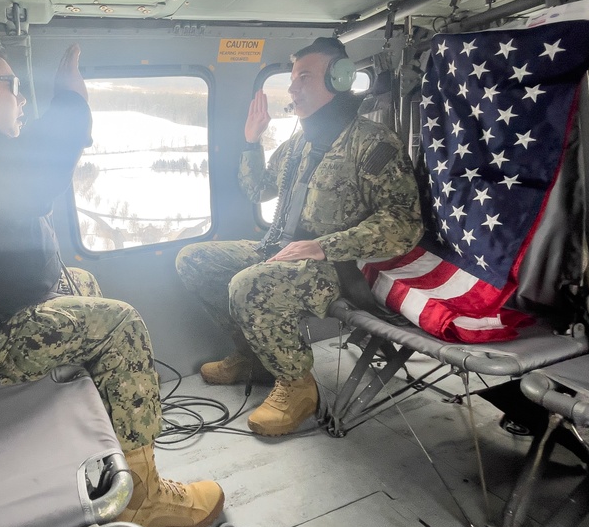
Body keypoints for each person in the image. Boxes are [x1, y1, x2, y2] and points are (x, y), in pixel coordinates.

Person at [0, 36, 224, 527]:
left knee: (78, 280)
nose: (19, 99)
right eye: (10, 86)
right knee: (120, 323)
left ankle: (110, 454)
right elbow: (31, 177)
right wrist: (71, 100)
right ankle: (145, 500)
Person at [175, 37, 423, 436]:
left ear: (339, 80)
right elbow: (258, 190)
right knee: (194, 259)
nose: (292, 88)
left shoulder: (374, 144)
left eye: (303, 77)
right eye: (291, 78)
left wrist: (324, 245)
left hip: (338, 267)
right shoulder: (297, 145)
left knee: (247, 285)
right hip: (280, 248)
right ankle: (251, 355)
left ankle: (297, 386)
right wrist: (251, 140)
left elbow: (404, 225)